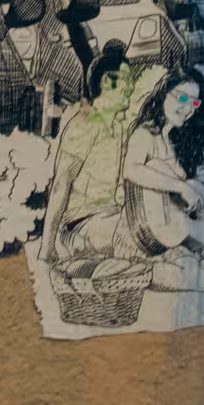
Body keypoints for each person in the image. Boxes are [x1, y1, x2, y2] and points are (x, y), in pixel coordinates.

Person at [41, 41, 146, 263]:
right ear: (107, 82)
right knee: (133, 242)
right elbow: (62, 184)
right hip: (79, 226)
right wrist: (47, 246)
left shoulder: (119, 127)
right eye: (127, 80)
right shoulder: (84, 125)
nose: (131, 87)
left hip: (111, 218)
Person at [121, 68, 204, 271]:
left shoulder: (175, 142)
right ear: (164, 93)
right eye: (183, 98)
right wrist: (181, 187)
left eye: (195, 102)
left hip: (174, 242)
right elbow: (131, 169)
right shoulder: (145, 134)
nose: (189, 108)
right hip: (139, 241)